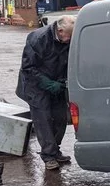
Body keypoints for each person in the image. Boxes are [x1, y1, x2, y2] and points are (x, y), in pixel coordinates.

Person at [16, 16, 75, 170]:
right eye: (69, 36)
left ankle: (55, 150)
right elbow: (28, 68)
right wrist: (48, 84)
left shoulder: (67, 38)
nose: (70, 40)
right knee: (44, 121)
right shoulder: (38, 39)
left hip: (57, 83)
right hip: (35, 86)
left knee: (60, 118)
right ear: (60, 31)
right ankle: (48, 155)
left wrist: (62, 81)